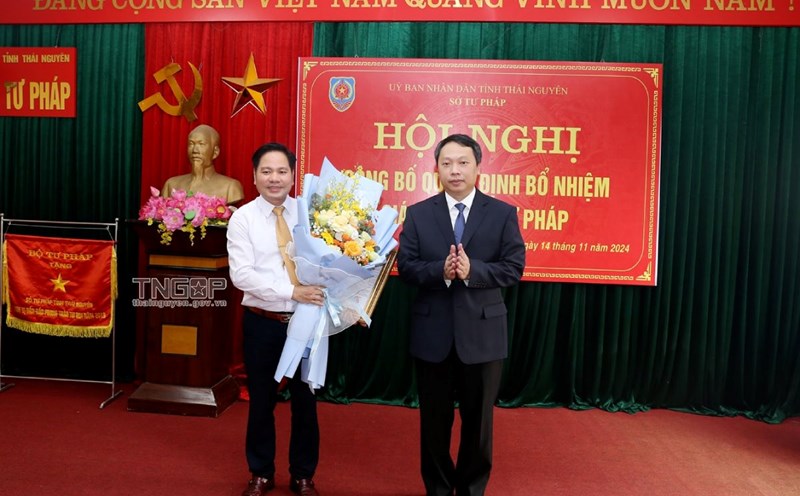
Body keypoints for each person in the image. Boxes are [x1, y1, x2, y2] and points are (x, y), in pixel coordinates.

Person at [397, 134, 525, 496]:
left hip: (482, 337)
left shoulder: (502, 214)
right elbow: (407, 267)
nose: (455, 170)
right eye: (447, 163)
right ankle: (437, 489)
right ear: (436, 168)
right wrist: (442, 270)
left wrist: (472, 272)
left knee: (478, 423)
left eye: (463, 162)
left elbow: (513, 269)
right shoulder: (419, 213)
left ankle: (471, 489)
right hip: (432, 335)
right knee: (434, 423)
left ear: (478, 168)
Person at [227, 142, 326, 496]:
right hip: (263, 321)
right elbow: (242, 276)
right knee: (261, 401)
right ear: (254, 177)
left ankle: (303, 475)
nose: (274, 178)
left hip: (307, 321)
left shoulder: (311, 213)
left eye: (282, 171)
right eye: (266, 171)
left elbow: (330, 262)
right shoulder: (243, 218)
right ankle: (261, 473)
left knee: (305, 402)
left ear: (293, 175)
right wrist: (291, 292)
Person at [162, 124, 245, 204]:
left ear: (215, 152)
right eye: (191, 144)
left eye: (201, 144)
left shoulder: (230, 187)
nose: (195, 150)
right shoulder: (171, 184)